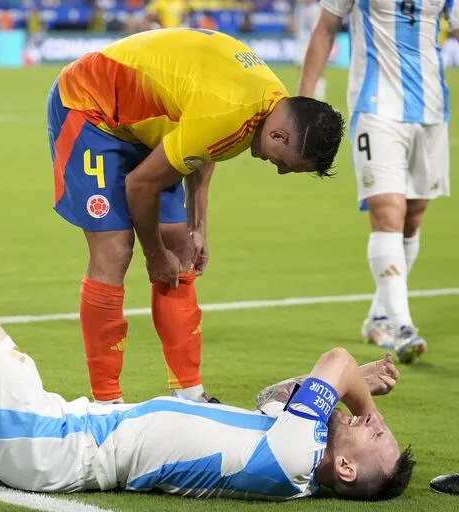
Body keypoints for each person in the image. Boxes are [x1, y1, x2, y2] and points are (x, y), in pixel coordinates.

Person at [0, 290, 413, 500]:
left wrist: (361, 399)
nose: (375, 425)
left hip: (60, 445)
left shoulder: (297, 458)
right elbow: (281, 392)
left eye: (375, 436)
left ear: (346, 468)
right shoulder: (289, 444)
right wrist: (345, 392)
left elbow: (332, 362)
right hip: (62, 437)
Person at [46, 28, 344, 404]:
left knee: (182, 249)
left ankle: (190, 394)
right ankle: (107, 405)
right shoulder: (230, 112)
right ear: (281, 137)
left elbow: (206, 151)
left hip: (150, 123)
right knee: (115, 250)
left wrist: (197, 227)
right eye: (288, 165)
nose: (280, 171)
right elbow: (140, 185)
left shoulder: (271, 103)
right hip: (90, 108)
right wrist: (154, 257)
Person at [298, 1, 458, 364]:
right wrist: (305, 102)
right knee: (389, 210)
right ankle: (402, 327)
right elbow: (325, 27)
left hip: (432, 110)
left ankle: (380, 315)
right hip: (376, 107)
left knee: (413, 215)